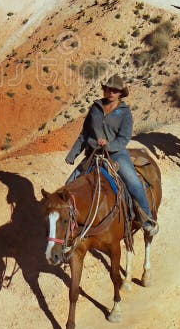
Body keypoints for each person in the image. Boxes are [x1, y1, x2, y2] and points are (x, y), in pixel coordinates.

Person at [65, 74, 157, 235]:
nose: (111, 92)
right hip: (94, 154)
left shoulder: (125, 112)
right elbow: (85, 133)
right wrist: (73, 154)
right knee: (69, 184)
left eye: (115, 90)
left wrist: (109, 145)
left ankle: (147, 219)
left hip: (116, 154)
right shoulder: (96, 108)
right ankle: (67, 225)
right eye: (108, 88)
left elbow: (124, 138)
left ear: (121, 93)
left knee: (133, 182)